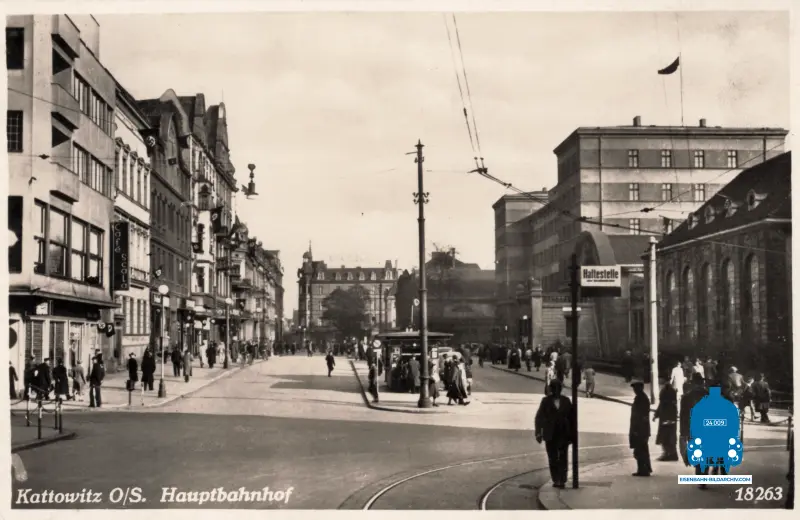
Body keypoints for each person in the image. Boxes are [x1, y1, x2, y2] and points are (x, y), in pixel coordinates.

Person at [534, 379, 573, 488]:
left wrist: (572, 435)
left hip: (563, 433)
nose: (556, 390)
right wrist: (538, 433)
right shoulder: (545, 401)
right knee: (552, 457)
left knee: (563, 457)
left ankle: (562, 479)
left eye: (558, 388)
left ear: (560, 389)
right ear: (551, 389)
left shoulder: (566, 401)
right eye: (554, 388)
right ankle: (556, 479)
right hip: (550, 433)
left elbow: (572, 418)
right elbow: (539, 417)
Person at [680, 373, 709, 488]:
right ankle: (703, 476)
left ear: (692, 383)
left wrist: (683, 432)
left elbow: (683, 416)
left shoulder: (686, 397)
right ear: (702, 382)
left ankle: (700, 475)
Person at [629, 380, 652, 477]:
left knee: (640, 450)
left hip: (640, 429)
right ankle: (643, 469)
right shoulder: (641, 398)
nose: (634, 390)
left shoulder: (641, 399)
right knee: (641, 449)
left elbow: (640, 416)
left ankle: (643, 470)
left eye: (635, 388)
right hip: (641, 429)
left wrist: (636, 430)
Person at [653, 381, 679, 461]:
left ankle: (668, 454)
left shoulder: (666, 393)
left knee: (665, 438)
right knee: (670, 438)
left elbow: (661, 405)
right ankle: (672, 454)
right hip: (669, 419)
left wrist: (656, 415)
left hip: (665, 419)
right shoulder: (671, 393)